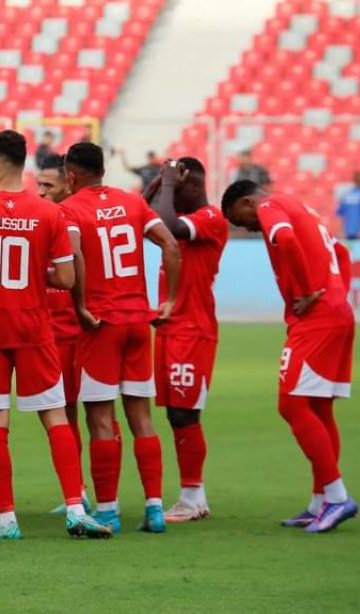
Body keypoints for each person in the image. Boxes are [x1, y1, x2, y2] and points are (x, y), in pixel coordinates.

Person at [0, 130, 112, 540]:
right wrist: (37, 271)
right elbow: (67, 276)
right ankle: (76, 508)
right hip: (35, 329)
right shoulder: (50, 214)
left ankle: (7, 519)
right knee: (55, 416)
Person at [221, 180, 359, 533]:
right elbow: (341, 252)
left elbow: (286, 239)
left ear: (249, 202)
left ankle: (337, 496)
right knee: (318, 407)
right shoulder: (304, 208)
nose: (247, 228)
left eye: (242, 219)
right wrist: (336, 295)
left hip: (316, 319)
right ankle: (320, 502)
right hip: (337, 312)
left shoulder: (270, 207)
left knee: (292, 405)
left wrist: (310, 292)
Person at [61, 142, 180, 534]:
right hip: (136, 322)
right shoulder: (131, 202)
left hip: (102, 323)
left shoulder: (72, 208)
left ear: (71, 175)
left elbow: (74, 255)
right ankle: (155, 508)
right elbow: (170, 243)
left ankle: (109, 510)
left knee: (100, 419)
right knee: (142, 418)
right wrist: (168, 301)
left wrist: (80, 305)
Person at [148, 158, 228, 522]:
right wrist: (154, 186)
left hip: (192, 331)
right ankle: (195, 496)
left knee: (185, 413)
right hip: (169, 326)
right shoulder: (181, 216)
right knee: (175, 414)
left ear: (192, 185)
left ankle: (193, 496)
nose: (169, 197)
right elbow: (144, 219)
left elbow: (166, 224)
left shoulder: (210, 218)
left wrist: (165, 188)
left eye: (174, 189)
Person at [37, 153, 91, 514]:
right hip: (44, 332)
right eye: (38, 185)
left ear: (67, 185)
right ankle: (79, 491)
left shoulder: (67, 218)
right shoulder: (42, 218)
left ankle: (86, 493)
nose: (41, 193)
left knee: (74, 412)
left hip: (69, 333)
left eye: (48, 186)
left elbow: (73, 259)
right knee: (63, 413)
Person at [337, 171, 360, 240]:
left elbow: (340, 215)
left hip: (349, 231)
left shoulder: (346, 195)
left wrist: (341, 231)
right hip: (357, 231)